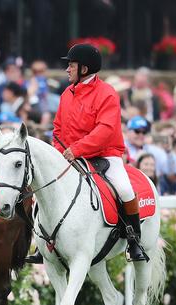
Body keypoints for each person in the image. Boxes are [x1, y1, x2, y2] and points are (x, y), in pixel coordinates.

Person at [27, 44, 148, 264]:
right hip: (71, 155)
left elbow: (105, 130)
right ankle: (41, 243)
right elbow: (58, 128)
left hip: (105, 154)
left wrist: (77, 149)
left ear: (84, 68)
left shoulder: (107, 93)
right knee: (45, 187)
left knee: (124, 188)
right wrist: (60, 152)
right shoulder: (66, 93)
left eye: (71, 65)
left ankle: (134, 240)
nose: (67, 69)